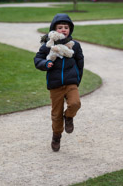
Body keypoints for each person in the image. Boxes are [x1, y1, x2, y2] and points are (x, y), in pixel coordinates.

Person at [34, 13, 84, 152]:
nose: (63, 29)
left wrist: (77, 79)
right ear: (54, 29)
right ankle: (56, 136)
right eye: (60, 27)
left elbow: (80, 63)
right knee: (56, 115)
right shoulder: (48, 45)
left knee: (75, 103)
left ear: (70, 29)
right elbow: (37, 59)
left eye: (66, 27)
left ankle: (68, 117)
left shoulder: (74, 46)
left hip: (71, 83)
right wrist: (46, 63)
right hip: (55, 85)